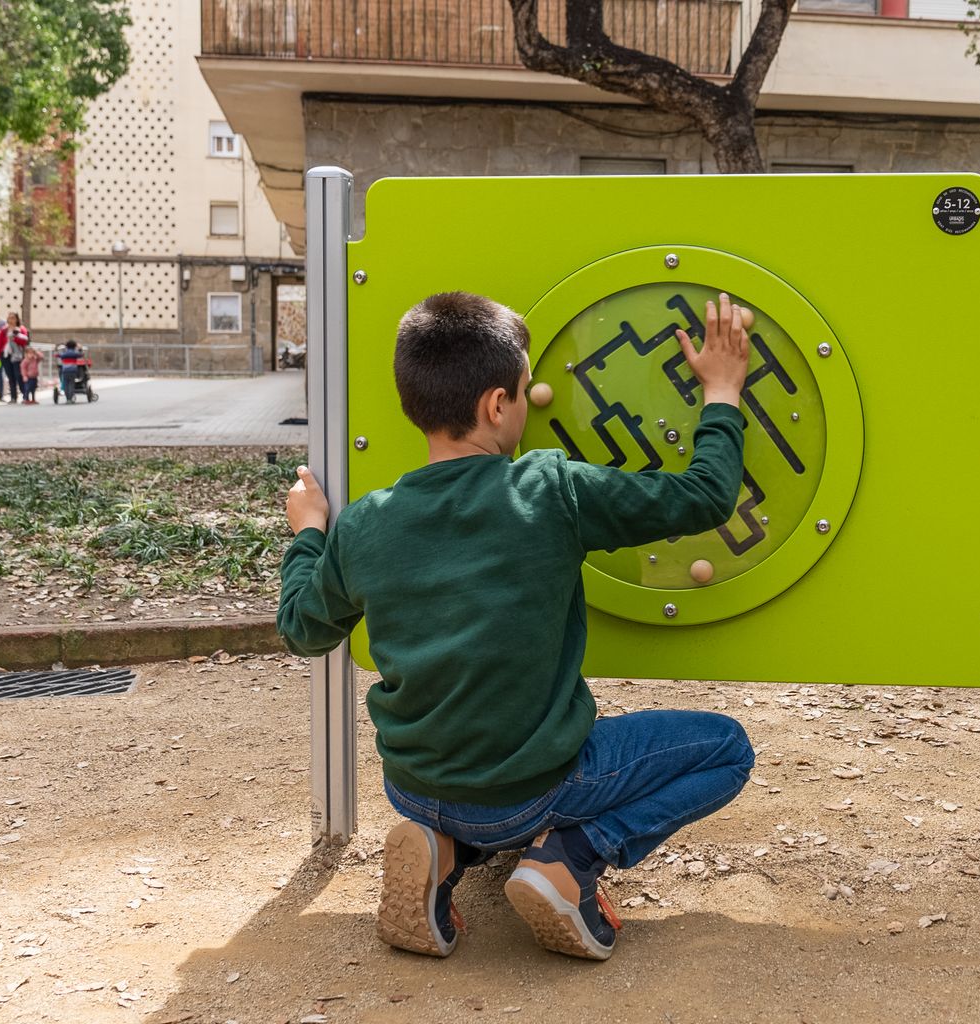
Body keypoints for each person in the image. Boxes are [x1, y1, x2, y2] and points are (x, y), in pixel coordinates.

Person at [277, 291, 754, 962]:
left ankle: (444, 847)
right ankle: (572, 857)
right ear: (497, 405)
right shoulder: (549, 491)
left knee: (472, 791)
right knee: (726, 748)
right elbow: (704, 495)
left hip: (413, 784)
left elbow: (302, 628)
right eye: (526, 391)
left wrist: (308, 533)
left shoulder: (364, 524)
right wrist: (723, 391)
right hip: (529, 792)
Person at [0, 313, 29, 404]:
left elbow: (24, 341)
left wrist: (14, 337)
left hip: (17, 355)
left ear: (17, 319)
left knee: (18, 375)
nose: (11, 320)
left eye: (13, 318)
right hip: (6, 355)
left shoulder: (21, 329)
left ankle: (25, 395)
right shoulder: (4, 330)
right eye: (9, 318)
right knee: (10, 376)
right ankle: (13, 397)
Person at [19, 341, 42, 405]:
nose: (31, 355)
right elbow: (23, 369)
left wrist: (36, 352)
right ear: (26, 354)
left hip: (34, 376)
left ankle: (33, 399)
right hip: (28, 377)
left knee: (33, 388)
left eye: (32, 353)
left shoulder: (35, 359)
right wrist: (24, 376)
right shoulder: (25, 361)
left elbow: (41, 357)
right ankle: (26, 399)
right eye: (30, 353)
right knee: (27, 388)